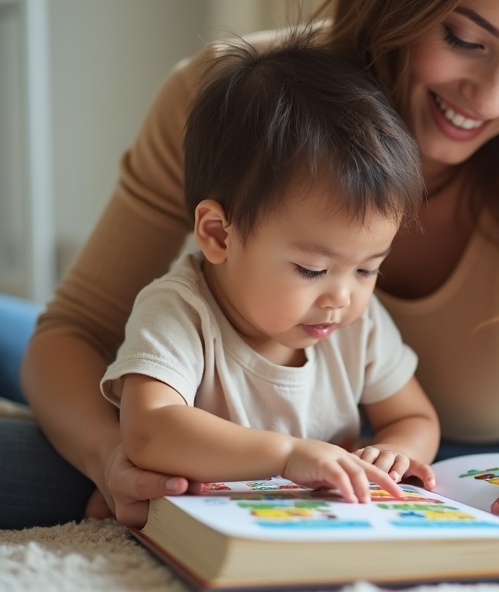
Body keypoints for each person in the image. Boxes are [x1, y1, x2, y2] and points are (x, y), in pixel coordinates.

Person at [10, 0, 499, 529]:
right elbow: (78, 328)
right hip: (227, 391)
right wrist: (111, 456)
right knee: (90, 454)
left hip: (466, 453)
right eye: (467, 39)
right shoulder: (242, 101)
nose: (491, 94)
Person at [98, 31, 438, 504]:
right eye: (312, 270)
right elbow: (150, 430)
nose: (342, 297)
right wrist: (287, 455)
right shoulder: (180, 310)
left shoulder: (354, 325)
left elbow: (414, 418)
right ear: (219, 234)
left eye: (366, 270)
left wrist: (395, 451)